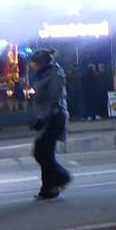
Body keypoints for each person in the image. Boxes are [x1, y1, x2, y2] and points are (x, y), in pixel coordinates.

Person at [29, 49, 72, 200]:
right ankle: (49, 187)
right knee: (44, 153)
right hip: (46, 116)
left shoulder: (54, 75)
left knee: (42, 152)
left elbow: (55, 99)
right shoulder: (44, 74)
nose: (32, 65)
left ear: (41, 63)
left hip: (54, 117)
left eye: (34, 62)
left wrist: (44, 118)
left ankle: (61, 178)